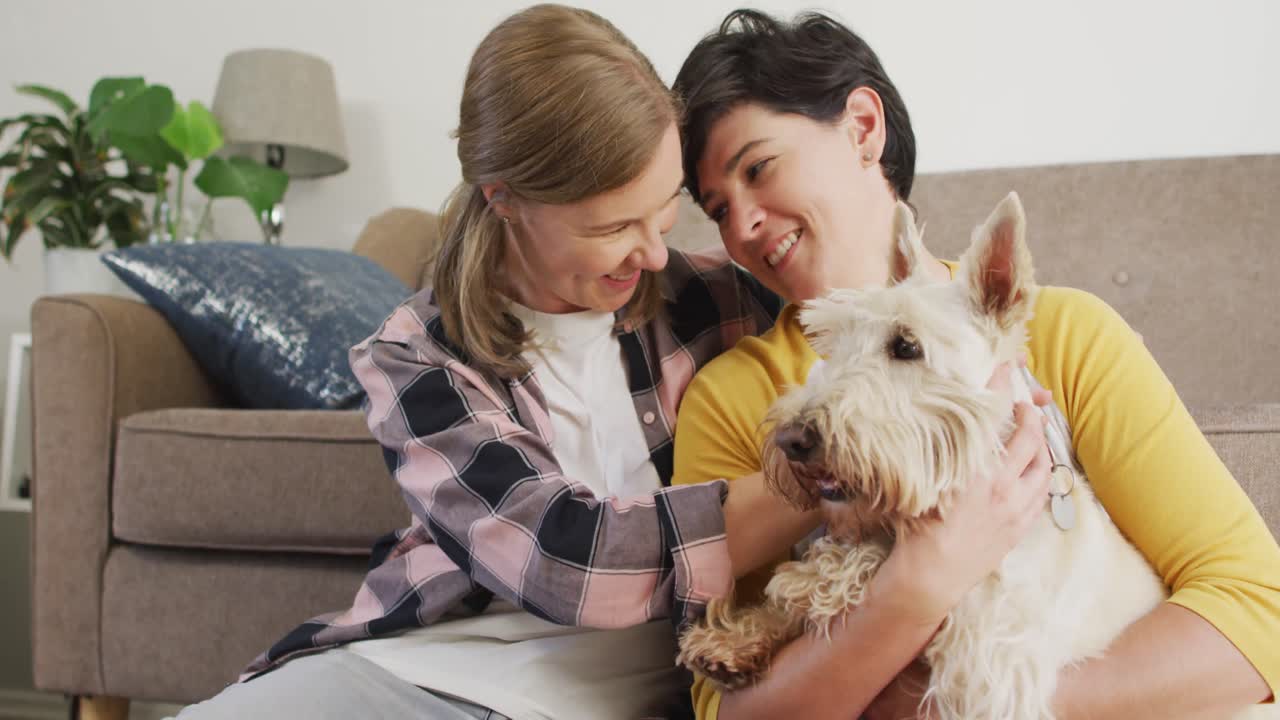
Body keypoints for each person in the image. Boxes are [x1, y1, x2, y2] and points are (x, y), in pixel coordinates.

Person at [168, 5, 801, 718]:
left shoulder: (721, 300)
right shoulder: (415, 355)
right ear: (505, 198)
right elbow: (569, 561)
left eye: (664, 211)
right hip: (435, 675)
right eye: (615, 226)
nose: (656, 254)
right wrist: (825, 483)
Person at [669, 9, 1280, 720]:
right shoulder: (732, 398)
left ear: (863, 128)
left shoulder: (1066, 335)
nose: (742, 225)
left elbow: (1256, 609)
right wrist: (919, 584)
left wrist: (985, 705)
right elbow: (723, 708)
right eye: (717, 209)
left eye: (758, 168)